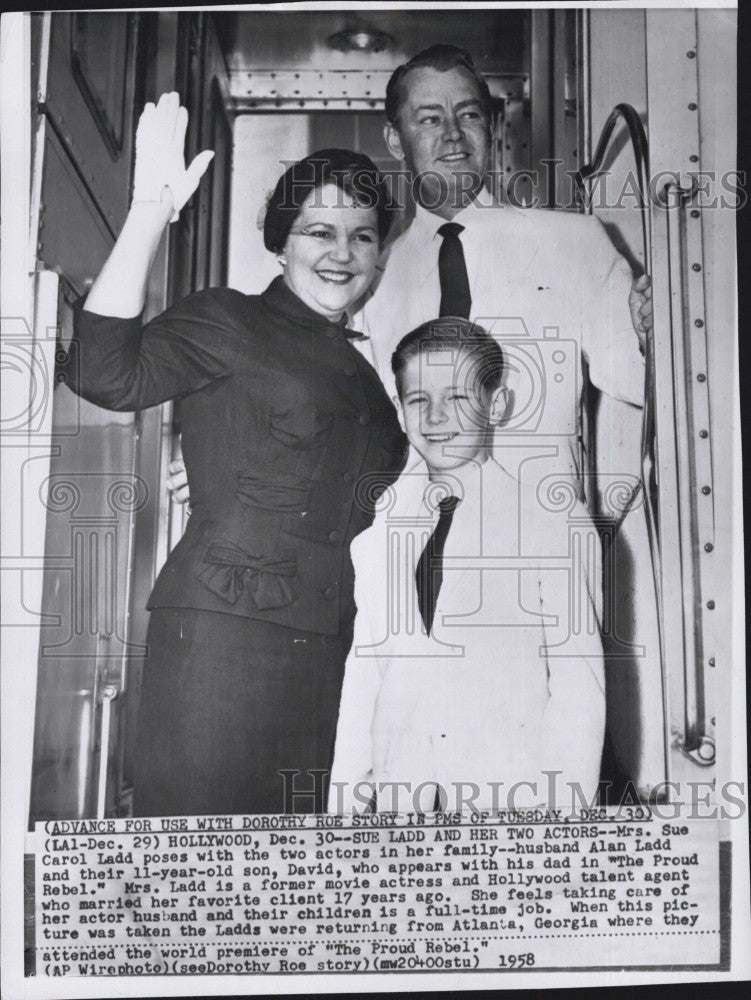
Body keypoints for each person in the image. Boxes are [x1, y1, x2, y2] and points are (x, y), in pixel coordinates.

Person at [66, 93, 407, 816]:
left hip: (325, 641)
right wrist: (151, 209)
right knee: (199, 860)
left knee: (283, 878)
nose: (341, 254)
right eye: (319, 231)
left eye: (363, 236)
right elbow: (106, 373)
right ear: (281, 242)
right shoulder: (229, 318)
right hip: (223, 635)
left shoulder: (363, 370)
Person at [328, 318, 606, 814]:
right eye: (418, 400)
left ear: (496, 404)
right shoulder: (378, 538)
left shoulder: (551, 522)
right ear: (400, 410)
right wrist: (344, 806)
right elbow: (364, 676)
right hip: (403, 812)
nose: (436, 417)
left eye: (458, 398)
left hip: (512, 812)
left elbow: (578, 691)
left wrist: (559, 832)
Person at [356, 44, 650, 496]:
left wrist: (652, 332)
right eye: (430, 119)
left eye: (469, 115)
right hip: (413, 542)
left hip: (541, 535)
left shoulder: (574, 242)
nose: (453, 135)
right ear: (396, 140)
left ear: (490, 128)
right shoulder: (368, 278)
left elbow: (640, 383)